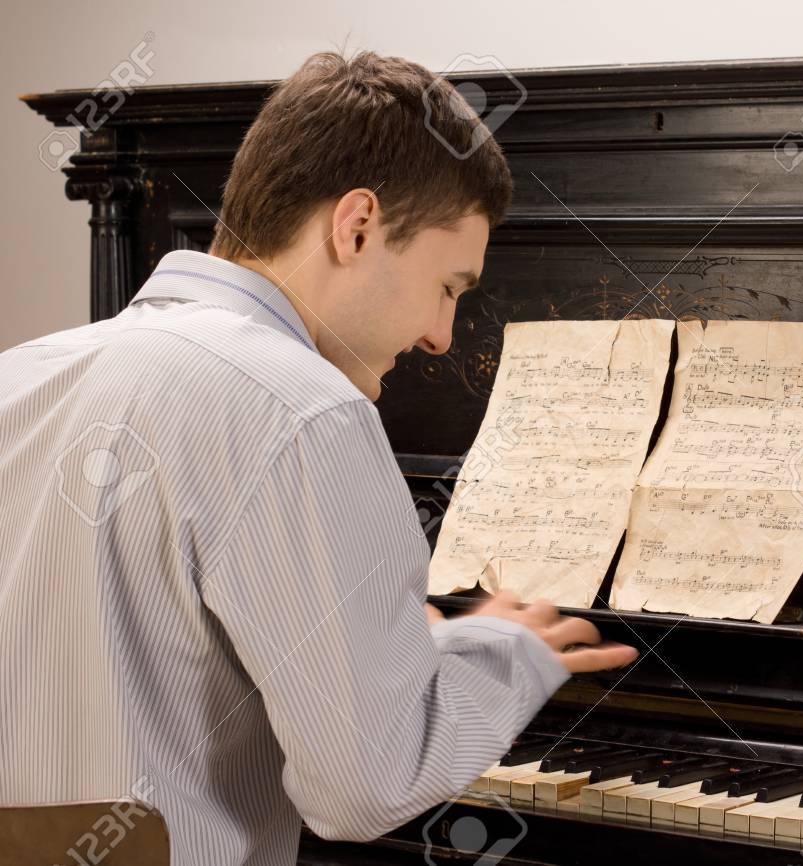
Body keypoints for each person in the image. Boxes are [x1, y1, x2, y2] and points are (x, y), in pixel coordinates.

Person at [0, 50, 637, 866]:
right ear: (357, 226)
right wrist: (509, 655)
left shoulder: (25, 372)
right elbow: (364, 789)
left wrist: (391, 652)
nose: (443, 336)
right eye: (449, 286)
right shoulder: (303, 407)